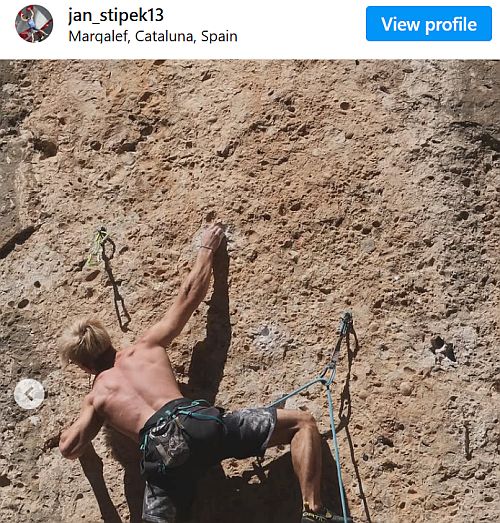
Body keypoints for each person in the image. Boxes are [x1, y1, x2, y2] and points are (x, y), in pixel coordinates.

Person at [58, 225, 345, 522]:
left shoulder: (97, 397)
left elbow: (70, 447)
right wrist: (207, 249)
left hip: (162, 456)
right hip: (199, 424)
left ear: (84, 366)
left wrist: (74, 437)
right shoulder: (147, 347)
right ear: (107, 340)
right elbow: (188, 296)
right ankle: (314, 511)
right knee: (301, 423)